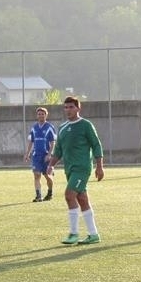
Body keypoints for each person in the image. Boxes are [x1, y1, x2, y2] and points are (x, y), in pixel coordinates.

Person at [46, 96, 104, 245]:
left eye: (71, 107)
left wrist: (99, 166)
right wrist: (51, 165)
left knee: (69, 195)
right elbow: (58, 150)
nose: (68, 110)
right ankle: (93, 234)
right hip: (69, 169)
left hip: (82, 168)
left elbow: (96, 145)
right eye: (66, 107)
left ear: (78, 108)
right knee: (82, 199)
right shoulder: (63, 128)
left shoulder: (86, 125)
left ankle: (73, 234)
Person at [23, 107, 56, 201]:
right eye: (39, 114)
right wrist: (27, 153)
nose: (41, 115)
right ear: (37, 115)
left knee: (47, 176)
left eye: (43, 114)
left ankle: (50, 193)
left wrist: (49, 154)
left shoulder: (50, 127)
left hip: (46, 156)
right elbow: (31, 141)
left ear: (46, 115)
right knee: (36, 175)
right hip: (36, 155)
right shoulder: (34, 127)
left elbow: (53, 142)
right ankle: (38, 196)